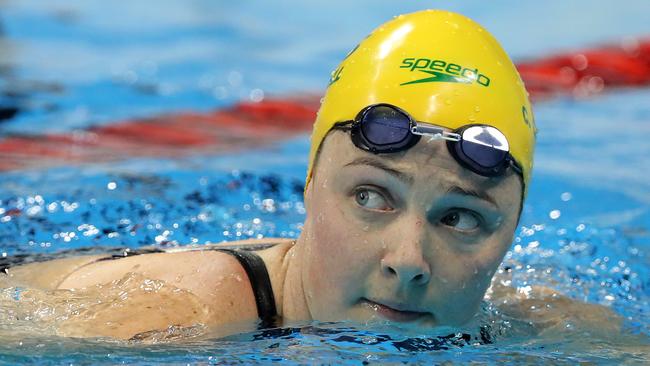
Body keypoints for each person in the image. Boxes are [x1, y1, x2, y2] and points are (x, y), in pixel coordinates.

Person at [0, 10, 614, 340]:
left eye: (460, 217)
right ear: (310, 187)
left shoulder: (527, 320)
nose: (410, 260)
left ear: (510, 232)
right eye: (371, 196)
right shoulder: (188, 312)